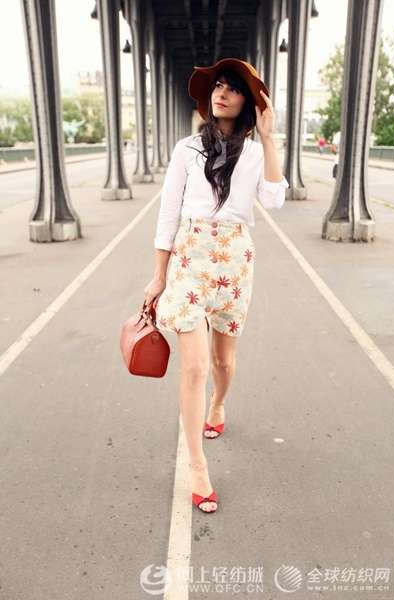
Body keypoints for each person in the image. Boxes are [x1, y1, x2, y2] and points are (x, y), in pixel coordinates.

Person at [144, 58, 289, 513]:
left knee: (223, 363)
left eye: (233, 88)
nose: (221, 93)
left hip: (234, 260)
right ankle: (198, 466)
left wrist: (269, 139)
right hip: (189, 256)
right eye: (218, 86)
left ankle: (220, 404)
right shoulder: (187, 149)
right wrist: (159, 275)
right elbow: (168, 213)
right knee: (193, 368)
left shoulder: (254, 153)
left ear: (248, 102)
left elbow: (275, 200)